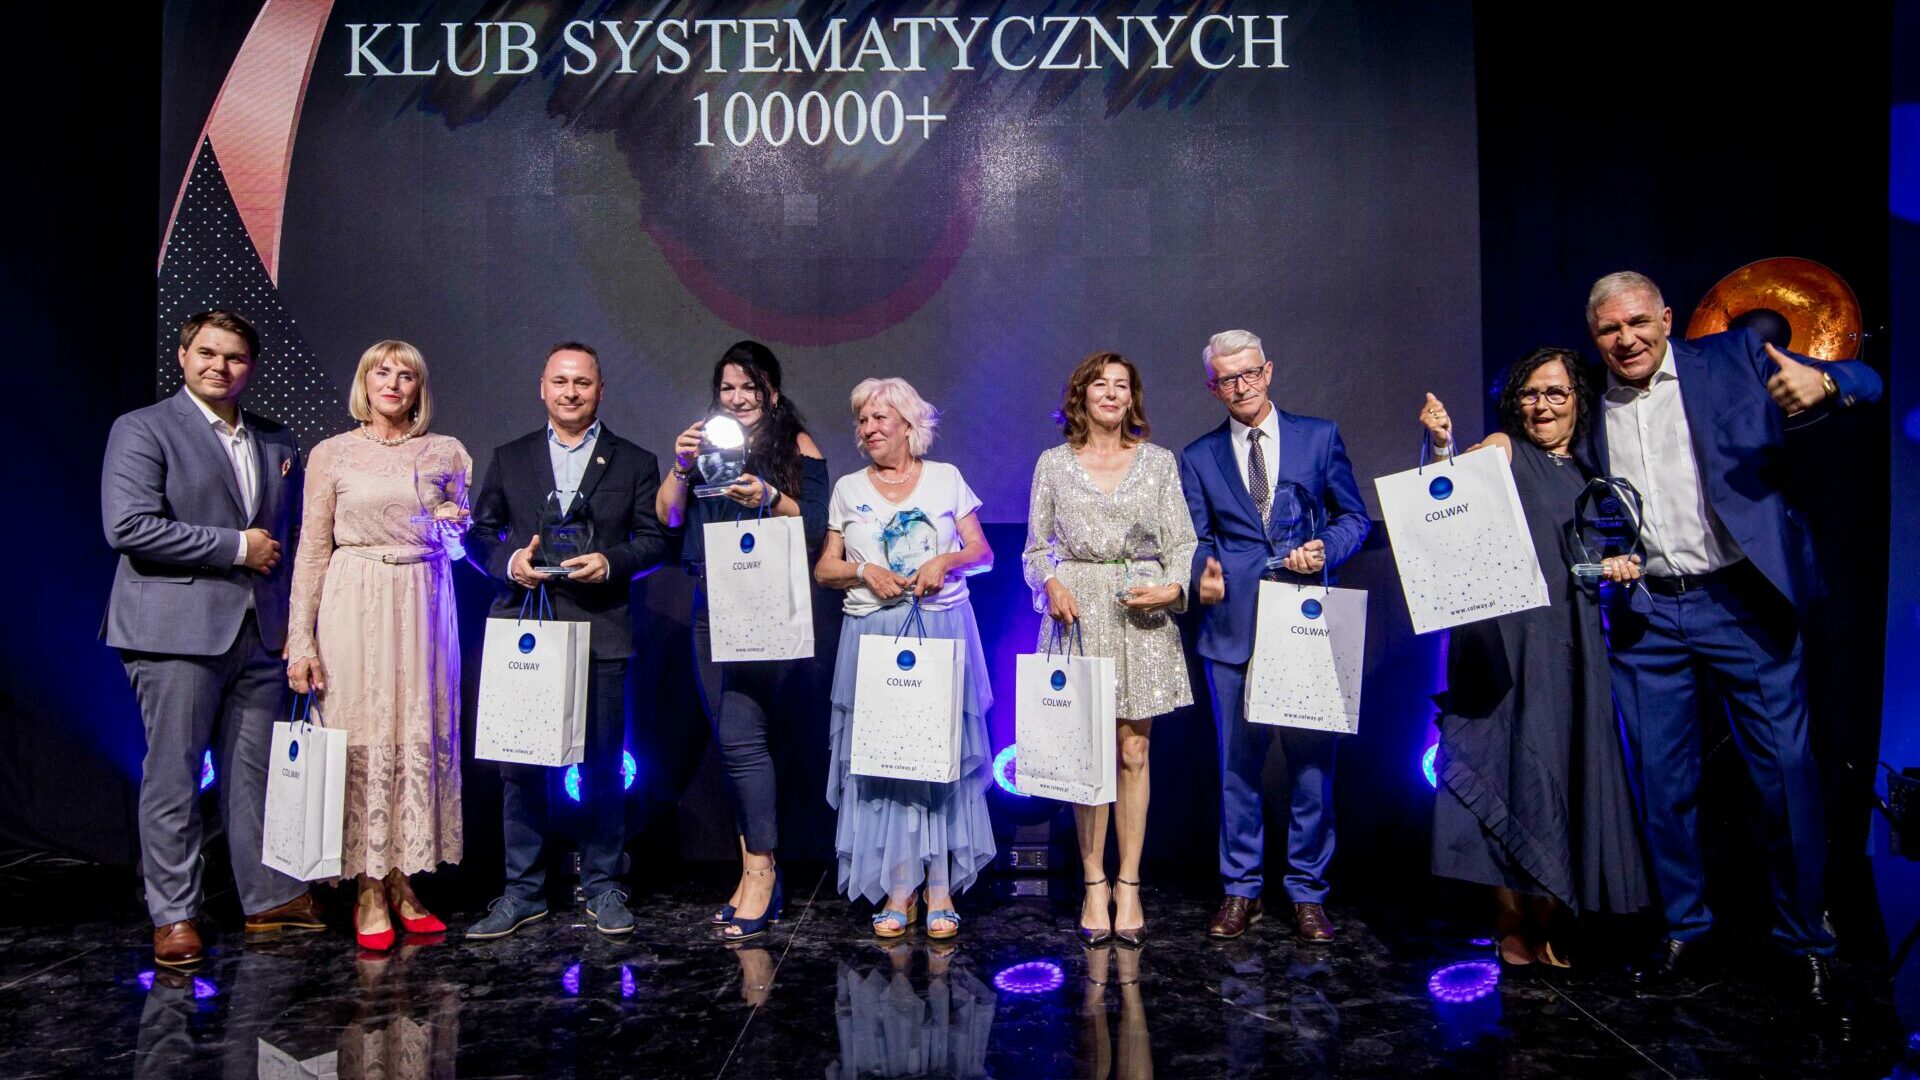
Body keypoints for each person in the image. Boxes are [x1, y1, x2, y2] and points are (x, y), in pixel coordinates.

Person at [1581, 271, 1881, 1009]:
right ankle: (1686, 927)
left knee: (1785, 776)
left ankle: (1805, 939)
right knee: (1662, 784)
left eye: (1638, 322)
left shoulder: (1733, 357)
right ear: (1595, 337)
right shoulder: (1590, 398)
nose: (1627, 339)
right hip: (1650, 615)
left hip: (1742, 600)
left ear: (1667, 318)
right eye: (1610, 329)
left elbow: (1869, 381)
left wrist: (1828, 385)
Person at [102, 309, 324, 968]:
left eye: (233, 357)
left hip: (259, 633)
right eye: (207, 353)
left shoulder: (275, 439)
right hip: (174, 631)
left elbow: (291, 539)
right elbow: (128, 526)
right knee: (174, 775)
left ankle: (268, 897)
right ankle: (174, 913)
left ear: (250, 367)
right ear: (183, 355)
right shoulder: (143, 428)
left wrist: (296, 627)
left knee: (252, 775)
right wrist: (235, 547)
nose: (219, 367)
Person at [1418, 348, 1649, 968]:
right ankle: (1509, 918)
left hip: (1568, 638)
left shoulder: (1593, 473)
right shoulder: (1504, 449)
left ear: (1578, 400)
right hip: (1501, 636)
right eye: (1530, 393)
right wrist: (1440, 449)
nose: (1542, 405)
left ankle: (1550, 913)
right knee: (1500, 764)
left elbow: (1597, 553)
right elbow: (1448, 498)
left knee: (1556, 765)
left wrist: (1618, 567)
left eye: (1556, 393)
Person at [464, 341, 670, 940]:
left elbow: (655, 540)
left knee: (603, 765)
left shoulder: (634, 461)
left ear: (600, 391)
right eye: (560, 381)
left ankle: (603, 884)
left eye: (582, 382)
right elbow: (480, 535)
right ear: (543, 388)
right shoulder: (511, 457)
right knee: (520, 769)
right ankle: (523, 891)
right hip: (527, 631)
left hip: (600, 629)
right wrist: (510, 564)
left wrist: (611, 562)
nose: (571, 392)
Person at [1178, 329, 1371, 943]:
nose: (1241, 386)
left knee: (1312, 768)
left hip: (1308, 621)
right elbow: (1196, 540)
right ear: (1213, 388)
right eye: (1227, 379)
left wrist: (1327, 548)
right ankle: (1241, 890)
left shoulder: (1320, 436)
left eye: (1249, 373)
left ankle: (1308, 892)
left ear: (1268, 371)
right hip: (1233, 628)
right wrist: (1203, 570)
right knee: (1238, 769)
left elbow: (1354, 517)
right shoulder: (1198, 456)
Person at [284, 340, 470, 951]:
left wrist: (454, 524)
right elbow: (313, 548)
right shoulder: (331, 453)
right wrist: (300, 639)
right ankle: (367, 886)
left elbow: (461, 542)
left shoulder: (446, 451)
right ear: (364, 382)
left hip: (424, 600)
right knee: (362, 734)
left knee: (415, 732)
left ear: (420, 388)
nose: (393, 383)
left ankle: (403, 878)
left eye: (406, 374)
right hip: (354, 598)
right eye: (381, 372)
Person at [657, 341, 830, 941]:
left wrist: (770, 497)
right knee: (732, 744)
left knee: (741, 737)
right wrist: (681, 466)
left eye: (749, 388)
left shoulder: (797, 445)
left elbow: (817, 524)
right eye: (728, 388)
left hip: (765, 599)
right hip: (711, 599)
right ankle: (758, 871)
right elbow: (670, 518)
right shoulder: (708, 445)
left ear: (772, 393)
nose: (737, 398)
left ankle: (760, 871)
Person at [1021, 351, 1195, 947]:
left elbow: (1182, 542)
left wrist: (1173, 587)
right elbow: (1035, 549)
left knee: (1133, 751)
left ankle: (1129, 883)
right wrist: (1050, 583)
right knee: (1087, 756)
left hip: (1139, 611)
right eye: (1101, 384)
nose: (1113, 393)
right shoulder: (1053, 463)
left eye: (1123, 385)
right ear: (1082, 395)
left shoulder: (1159, 463)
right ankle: (1094, 883)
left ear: (1132, 398)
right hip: (1078, 613)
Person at [814, 377, 996, 940]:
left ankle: (939, 888)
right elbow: (825, 568)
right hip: (873, 635)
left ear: (909, 425)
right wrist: (863, 569)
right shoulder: (847, 488)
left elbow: (982, 552)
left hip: (939, 629)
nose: (867, 429)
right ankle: (898, 888)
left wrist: (946, 560)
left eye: (879, 418)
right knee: (885, 762)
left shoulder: (946, 479)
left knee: (937, 759)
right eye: (862, 420)